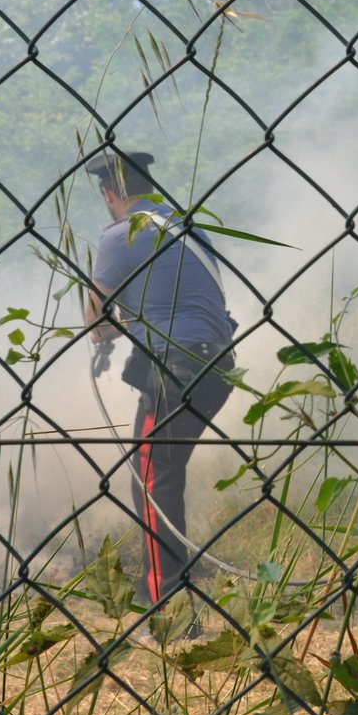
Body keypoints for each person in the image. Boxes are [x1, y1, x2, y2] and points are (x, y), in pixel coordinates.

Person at [85, 148, 236, 609]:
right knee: (162, 473)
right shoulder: (189, 226)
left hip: (176, 368)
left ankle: (166, 606)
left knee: (152, 479)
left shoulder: (118, 236)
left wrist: (110, 326)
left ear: (111, 195)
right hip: (217, 366)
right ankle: (168, 588)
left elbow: (96, 322)